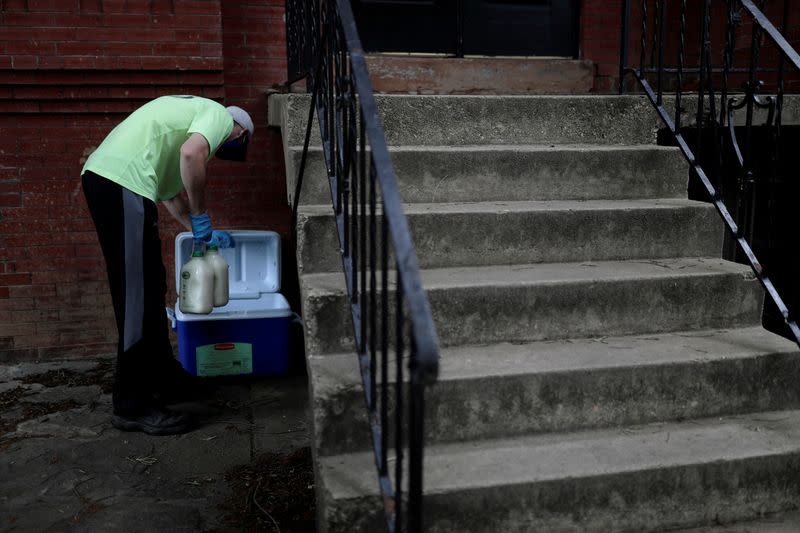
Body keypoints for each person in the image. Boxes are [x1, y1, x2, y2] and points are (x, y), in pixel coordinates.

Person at [80, 95, 254, 435]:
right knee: (136, 296)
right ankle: (131, 404)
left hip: (118, 181)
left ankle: (163, 377)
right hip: (120, 182)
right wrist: (202, 214)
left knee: (152, 282)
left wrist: (200, 233)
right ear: (241, 133)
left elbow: (173, 197)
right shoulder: (219, 117)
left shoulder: (190, 121)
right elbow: (192, 156)